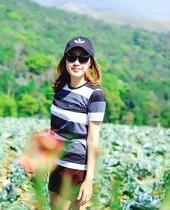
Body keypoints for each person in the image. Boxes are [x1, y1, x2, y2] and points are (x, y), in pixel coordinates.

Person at [48, 36, 107, 210]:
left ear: (90, 62)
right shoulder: (61, 88)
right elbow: (56, 129)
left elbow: (93, 140)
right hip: (55, 164)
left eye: (83, 58)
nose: (76, 62)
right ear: (65, 60)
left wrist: (88, 180)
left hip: (75, 167)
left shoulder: (95, 95)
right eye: (71, 57)